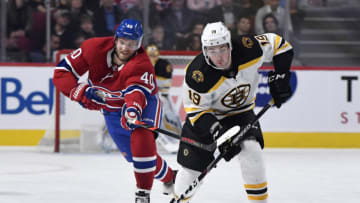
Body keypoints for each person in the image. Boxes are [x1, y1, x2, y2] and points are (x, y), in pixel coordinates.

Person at [52, 18, 176, 203]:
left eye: (132, 43)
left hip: (144, 106)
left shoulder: (141, 63)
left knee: (141, 142)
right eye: (123, 42)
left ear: (139, 44)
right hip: (111, 110)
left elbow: (136, 92)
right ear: (116, 39)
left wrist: (132, 111)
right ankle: (170, 177)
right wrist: (80, 92)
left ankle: (142, 194)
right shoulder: (93, 48)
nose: (126, 47)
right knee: (136, 159)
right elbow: (61, 73)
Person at [174, 21, 293, 202]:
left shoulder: (249, 48)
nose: (219, 57)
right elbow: (195, 111)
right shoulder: (197, 74)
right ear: (205, 51)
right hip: (207, 119)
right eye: (212, 51)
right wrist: (220, 134)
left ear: (230, 45)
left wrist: (282, 76)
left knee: (252, 150)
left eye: (222, 49)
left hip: (240, 113)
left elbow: (280, 45)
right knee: (191, 172)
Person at [146, 44, 182, 154]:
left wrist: (151, 80)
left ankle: (178, 140)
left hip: (162, 96)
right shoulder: (141, 64)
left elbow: (166, 82)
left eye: (153, 55)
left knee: (171, 117)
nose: (152, 58)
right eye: (150, 55)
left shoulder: (164, 64)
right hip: (148, 97)